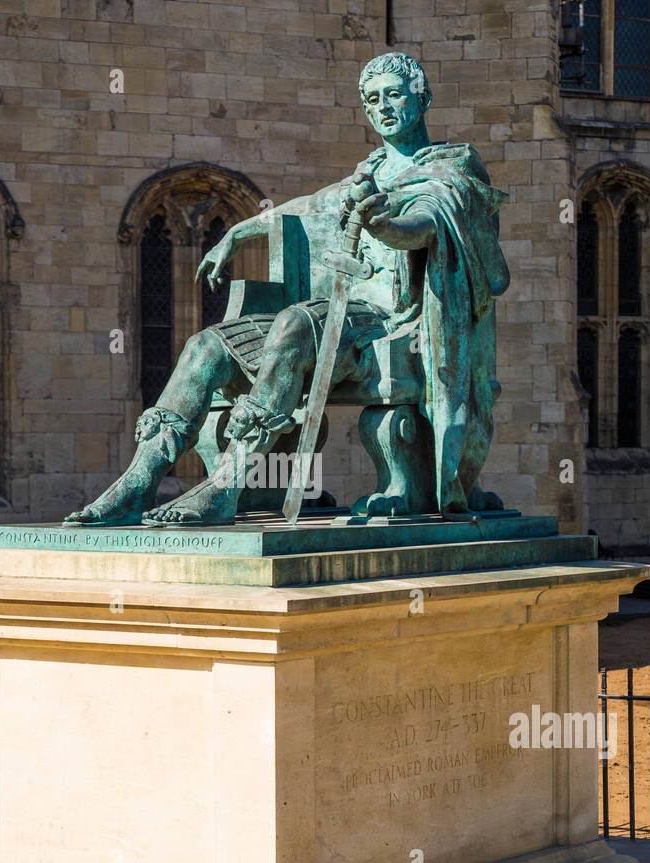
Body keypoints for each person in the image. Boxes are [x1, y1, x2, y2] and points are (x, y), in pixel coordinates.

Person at [65, 51, 509, 527]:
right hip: (340, 320)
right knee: (205, 348)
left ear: (422, 99)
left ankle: (227, 485)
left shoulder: (451, 172)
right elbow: (304, 207)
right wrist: (239, 231)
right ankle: (138, 481)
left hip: (395, 325)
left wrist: (382, 220)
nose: (383, 107)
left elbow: (424, 227)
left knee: (296, 321)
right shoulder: (367, 172)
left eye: (395, 95)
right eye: (373, 99)